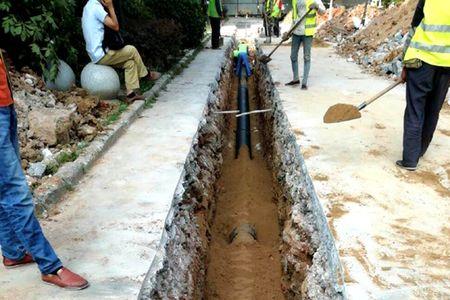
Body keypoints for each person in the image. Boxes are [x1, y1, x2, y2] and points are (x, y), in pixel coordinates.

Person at [0, 51, 89, 290]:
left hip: (4, 106)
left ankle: (13, 252)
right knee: (14, 193)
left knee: (4, 190)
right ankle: (50, 267)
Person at [396, 0, 450, 171]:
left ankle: (410, 159)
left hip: (421, 61)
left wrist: (405, 63)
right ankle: (419, 150)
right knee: (433, 110)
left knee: (415, 109)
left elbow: (413, 30)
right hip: (447, 64)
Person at [82, 0, 160, 103]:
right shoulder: (96, 8)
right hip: (101, 54)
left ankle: (131, 94)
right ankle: (146, 75)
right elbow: (115, 26)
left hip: (95, 54)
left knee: (130, 63)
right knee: (132, 50)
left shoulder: (88, 6)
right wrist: (110, 7)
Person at [285, 0, 325, 90]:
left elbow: (323, 12)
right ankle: (296, 79)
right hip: (296, 32)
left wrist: (317, 7)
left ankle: (304, 83)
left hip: (307, 32)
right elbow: (294, 18)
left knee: (307, 57)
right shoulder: (295, 0)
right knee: (293, 56)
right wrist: (289, 32)